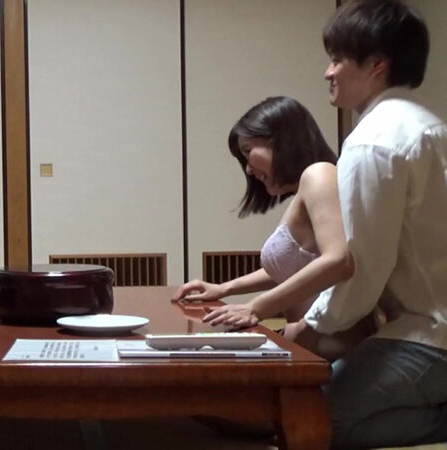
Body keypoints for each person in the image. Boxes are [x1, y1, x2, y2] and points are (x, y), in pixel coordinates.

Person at [287, 0, 447, 447]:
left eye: (338, 59)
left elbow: (361, 267)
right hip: (427, 331)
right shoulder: (432, 125)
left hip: (429, 337)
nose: (328, 72)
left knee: (310, 421)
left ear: (377, 64)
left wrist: (309, 329)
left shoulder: (374, 142)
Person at [172, 97, 365, 358]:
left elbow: (338, 260)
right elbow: (293, 265)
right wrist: (224, 288)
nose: (249, 170)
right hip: (310, 344)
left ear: (281, 141)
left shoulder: (320, 174)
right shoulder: (306, 186)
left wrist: (257, 307)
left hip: (332, 349)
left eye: (248, 151)